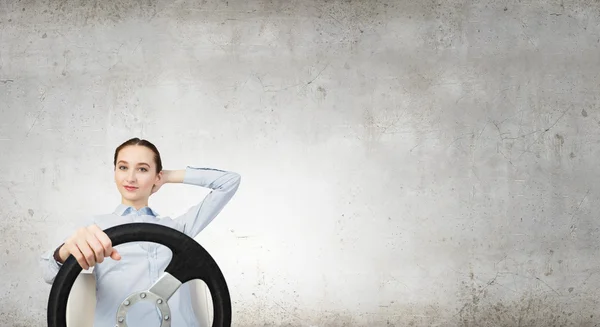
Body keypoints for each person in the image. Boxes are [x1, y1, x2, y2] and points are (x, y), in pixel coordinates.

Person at [39, 137, 241, 327]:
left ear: (156, 176)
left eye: (142, 169)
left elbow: (229, 182)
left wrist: (168, 176)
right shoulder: (95, 227)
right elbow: (48, 272)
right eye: (123, 167)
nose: (131, 177)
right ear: (115, 172)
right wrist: (65, 251)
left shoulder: (178, 229)